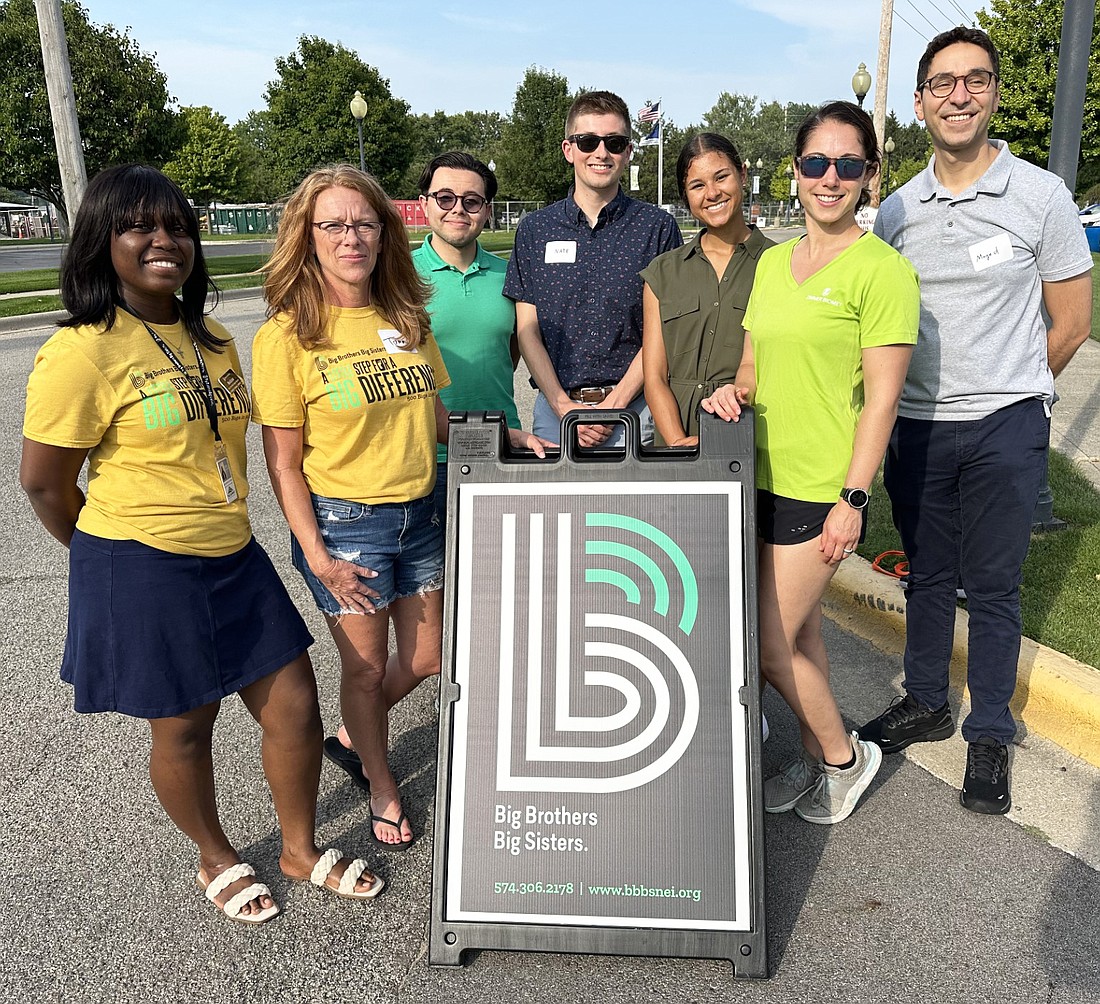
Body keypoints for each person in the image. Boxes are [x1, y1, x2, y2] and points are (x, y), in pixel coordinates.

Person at [20, 164, 383, 925]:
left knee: (292, 704)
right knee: (186, 723)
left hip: (233, 549)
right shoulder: (83, 350)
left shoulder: (210, 335)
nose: (165, 241)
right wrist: (107, 559)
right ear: (101, 241)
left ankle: (298, 847)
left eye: (178, 226)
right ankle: (216, 855)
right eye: (140, 226)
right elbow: (45, 485)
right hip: (143, 560)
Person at [253, 165, 541, 851]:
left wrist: (507, 435)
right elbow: (283, 464)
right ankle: (382, 784)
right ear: (308, 236)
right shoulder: (287, 335)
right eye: (334, 224)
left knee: (430, 654)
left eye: (364, 223)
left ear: (385, 232)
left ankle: (357, 732)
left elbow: (438, 416)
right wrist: (318, 557)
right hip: (346, 524)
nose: (350, 237)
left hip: (421, 511)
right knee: (365, 668)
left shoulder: (404, 317)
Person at [860, 27, 1094, 814]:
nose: (959, 96)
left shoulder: (1041, 196)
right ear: (921, 101)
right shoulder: (896, 210)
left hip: (1005, 425)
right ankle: (927, 700)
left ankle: (989, 729)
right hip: (918, 426)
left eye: (976, 80)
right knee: (927, 574)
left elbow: (1069, 320)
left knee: (991, 587)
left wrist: (1016, 390)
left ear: (992, 93)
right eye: (943, 83)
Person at [702, 102, 920, 824]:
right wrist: (732, 391)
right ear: (795, 172)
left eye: (848, 165)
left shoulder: (883, 271)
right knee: (798, 636)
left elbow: (882, 402)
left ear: (869, 175)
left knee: (764, 642)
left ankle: (844, 758)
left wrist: (853, 501)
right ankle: (808, 755)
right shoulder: (771, 262)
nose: (831, 178)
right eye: (817, 163)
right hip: (754, 477)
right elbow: (755, 363)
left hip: (820, 488)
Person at [504, 90, 683, 447]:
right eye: (588, 141)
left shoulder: (656, 228)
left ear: (628, 152)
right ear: (569, 149)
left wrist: (613, 405)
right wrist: (562, 406)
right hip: (557, 414)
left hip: (635, 411)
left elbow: (662, 330)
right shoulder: (535, 230)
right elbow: (527, 330)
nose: (601, 153)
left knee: (635, 506)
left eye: (614, 142)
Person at [641, 133, 774, 446]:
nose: (712, 193)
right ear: (686, 197)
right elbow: (655, 377)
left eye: (721, 177)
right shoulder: (662, 272)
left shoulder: (779, 264)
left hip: (751, 435)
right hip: (676, 439)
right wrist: (676, 445)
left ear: (742, 174)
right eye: (697, 185)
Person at [412, 150, 522, 521]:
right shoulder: (397, 277)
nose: (458, 209)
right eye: (445, 198)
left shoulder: (509, 275)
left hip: (501, 445)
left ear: (487, 210)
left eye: (472, 201)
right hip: (427, 457)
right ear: (424, 203)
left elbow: (511, 350)